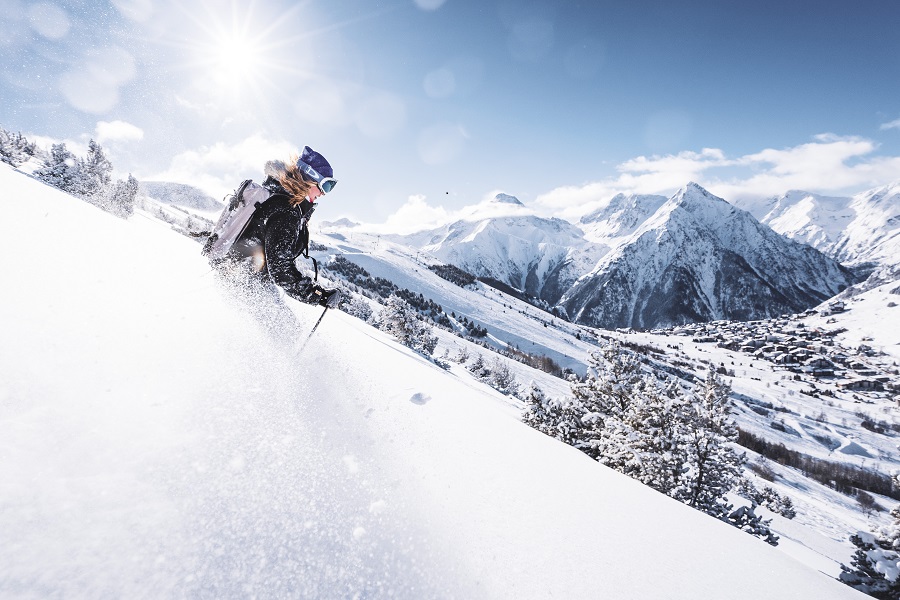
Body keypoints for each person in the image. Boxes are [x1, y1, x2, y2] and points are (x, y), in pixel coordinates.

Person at [217, 146, 341, 312]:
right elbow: (280, 269)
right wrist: (318, 295)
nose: (324, 194)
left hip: (238, 275)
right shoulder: (286, 210)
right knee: (288, 334)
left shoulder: (279, 199)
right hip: (248, 284)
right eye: (325, 186)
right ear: (310, 178)